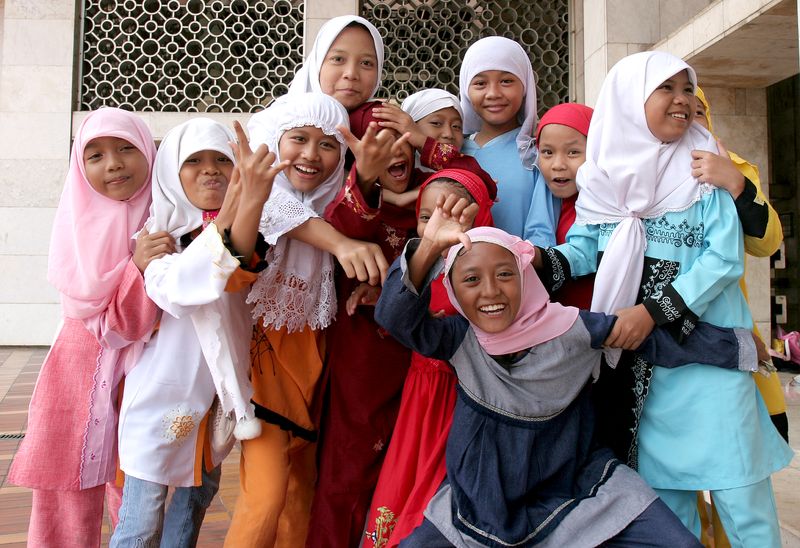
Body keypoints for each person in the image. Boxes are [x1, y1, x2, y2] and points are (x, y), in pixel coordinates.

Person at [374, 199, 759, 548]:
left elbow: (654, 341)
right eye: (471, 280)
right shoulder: (461, 340)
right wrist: (429, 247)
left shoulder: (574, 329)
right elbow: (394, 317)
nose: (490, 291)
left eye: (505, 274)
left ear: (525, 277)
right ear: (455, 291)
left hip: (576, 488)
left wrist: (741, 347)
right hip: (480, 501)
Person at [537, 51, 793, 545]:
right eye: (666, 89)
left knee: (743, 498)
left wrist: (652, 312)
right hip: (644, 375)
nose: (682, 101)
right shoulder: (604, 177)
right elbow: (589, 245)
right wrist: (531, 264)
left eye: (687, 89)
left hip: (709, 363)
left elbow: (723, 261)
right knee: (666, 510)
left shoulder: (706, 173)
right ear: (631, 101)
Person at [111, 117, 283, 547]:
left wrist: (244, 207)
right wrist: (233, 209)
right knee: (140, 523)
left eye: (222, 160)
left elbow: (237, 267)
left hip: (215, 403)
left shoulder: (248, 232)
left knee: (190, 515)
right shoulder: (156, 237)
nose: (210, 170)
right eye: (195, 161)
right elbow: (179, 288)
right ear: (172, 169)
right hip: (160, 403)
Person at [8, 108, 164, 548]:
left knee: (137, 491)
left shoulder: (167, 218)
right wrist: (135, 267)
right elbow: (105, 318)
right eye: (94, 155)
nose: (112, 163)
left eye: (125, 148)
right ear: (79, 168)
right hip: (76, 371)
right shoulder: (76, 224)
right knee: (65, 484)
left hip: (145, 372)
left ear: (148, 151)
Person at [224, 92, 351, 548]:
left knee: (301, 492)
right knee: (266, 496)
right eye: (298, 139)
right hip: (264, 371)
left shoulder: (338, 207)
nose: (311, 156)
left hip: (316, 370)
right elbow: (232, 270)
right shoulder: (257, 207)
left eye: (328, 144)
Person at [363, 158, 496, 548]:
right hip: (422, 395)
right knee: (407, 477)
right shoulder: (417, 263)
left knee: (443, 490)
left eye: (456, 213)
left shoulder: (490, 268)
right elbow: (397, 314)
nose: (436, 225)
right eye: (425, 215)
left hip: (462, 398)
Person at [692, 87, 789, 548]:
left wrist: (734, 181)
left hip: (732, 350)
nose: (688, 118)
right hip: (665, 355)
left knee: (742, 486)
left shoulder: (734, 165)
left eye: (697, 111)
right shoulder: (635, 171)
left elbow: (767, 243)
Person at [458, 36, 557, 244]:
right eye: (480, 83)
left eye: (506, 81)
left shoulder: (538, 155)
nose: (493, 93)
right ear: (466, 90)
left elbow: (542, 236)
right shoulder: (453, 152)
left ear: (525, 87)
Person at [535, 102, 594, 309]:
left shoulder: (608, 207)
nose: (558, 164)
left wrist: (534, 255)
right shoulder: (545, 204)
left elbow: (585, 253)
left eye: (573, 153)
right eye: (547, 152)